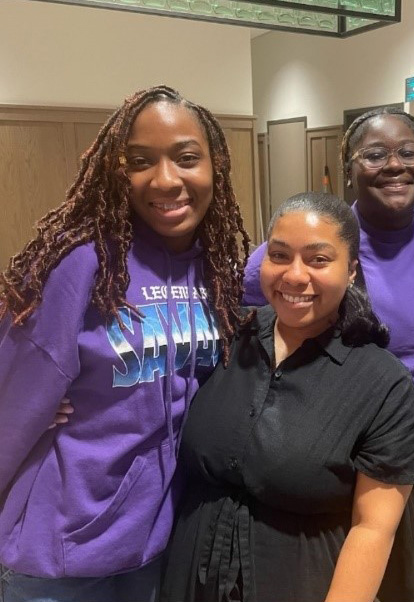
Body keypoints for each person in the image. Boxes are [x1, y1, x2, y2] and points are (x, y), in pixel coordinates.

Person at [0, 85, 249, 602]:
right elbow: (11, 399)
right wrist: (36, 406)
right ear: (118, 172)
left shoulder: (216, 270)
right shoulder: (84, 264)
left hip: (159, 542)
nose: (165, 179)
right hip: (60, 553)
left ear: (215, 166)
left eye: (186, 158)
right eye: (140, 161)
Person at [161, 192, 414, 602]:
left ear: (351, 271)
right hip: (187, 580)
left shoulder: (383, 385)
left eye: (318, 259)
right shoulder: (226, 337)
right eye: (279, 255)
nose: (294, 275)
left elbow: (373, 528)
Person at [243, 107, 414, 602]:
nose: (395, 165)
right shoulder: (324, 245)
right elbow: (234, 313)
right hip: (347, 468)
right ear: (348, 168)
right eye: (374, 154)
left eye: (408, 152)